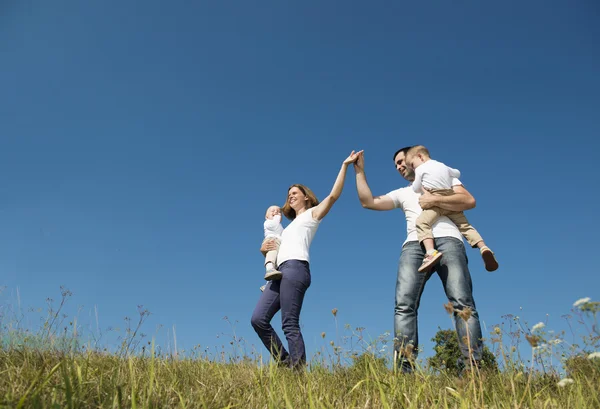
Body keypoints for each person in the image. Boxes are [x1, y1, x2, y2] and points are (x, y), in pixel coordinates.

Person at [353, 147, 483, 373]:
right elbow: (368, 202)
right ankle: (405, 372)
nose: (399, 167)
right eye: (395, 166)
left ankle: (473, 371)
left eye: (401, 161)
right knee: (404, 306)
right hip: (414, 246)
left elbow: (468, 200)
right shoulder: (403, 193)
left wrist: (434, 198)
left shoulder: (444, 177)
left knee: (463, 304)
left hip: (449, 240)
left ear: (416, 158)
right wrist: (359, 171)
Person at [251, 150, 362, 369]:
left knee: (289, 322)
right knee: (258, 319)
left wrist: (345, 166)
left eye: (295, 193)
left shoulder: (312, 216)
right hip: (278, 273)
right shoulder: (286, 228)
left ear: (307, 197)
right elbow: (273, 248)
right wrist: (263, 249)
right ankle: (284, 362)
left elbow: (333, 196)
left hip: (295, 269)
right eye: (288, 194)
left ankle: (298, 372)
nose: (290, 196)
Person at [404, 145, 498, 273]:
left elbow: (415, 188)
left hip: (434, 201)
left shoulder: (420, 169)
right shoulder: (443, 166)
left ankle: (431, 252)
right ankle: (483, 247)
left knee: (422, 223)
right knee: (465, 226)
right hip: (450, 197)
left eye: (412, 165)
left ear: (420, 156)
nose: (413, 168)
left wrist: (418, 182)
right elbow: (457, 172)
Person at [259, 205, 284, 292]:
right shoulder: (268, 222)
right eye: (272, 211)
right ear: (266, 216)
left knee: (277, 264)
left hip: (278, 242)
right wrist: (277, 218)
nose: (276, 212)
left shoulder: (280, 226)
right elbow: (274, 225)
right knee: (271, 252)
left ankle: (268, 285)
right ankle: (269, 268)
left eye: (278, 212)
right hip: (271, 239)